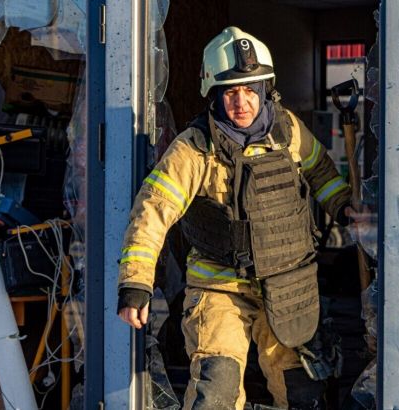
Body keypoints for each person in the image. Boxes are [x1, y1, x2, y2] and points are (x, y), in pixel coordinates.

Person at [117, 26, 352, 410]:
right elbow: (152, 212)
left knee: (304, 393)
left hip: (288, 284)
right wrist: (135, 285)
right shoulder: (194, 148)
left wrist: (343, 205)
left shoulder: (288, 130)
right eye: (229, 92)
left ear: (265, 90)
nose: (240, 102)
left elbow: (321, 172)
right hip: (219, 288)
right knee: (217, 390)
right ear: (214, 93)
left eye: (249, 90)